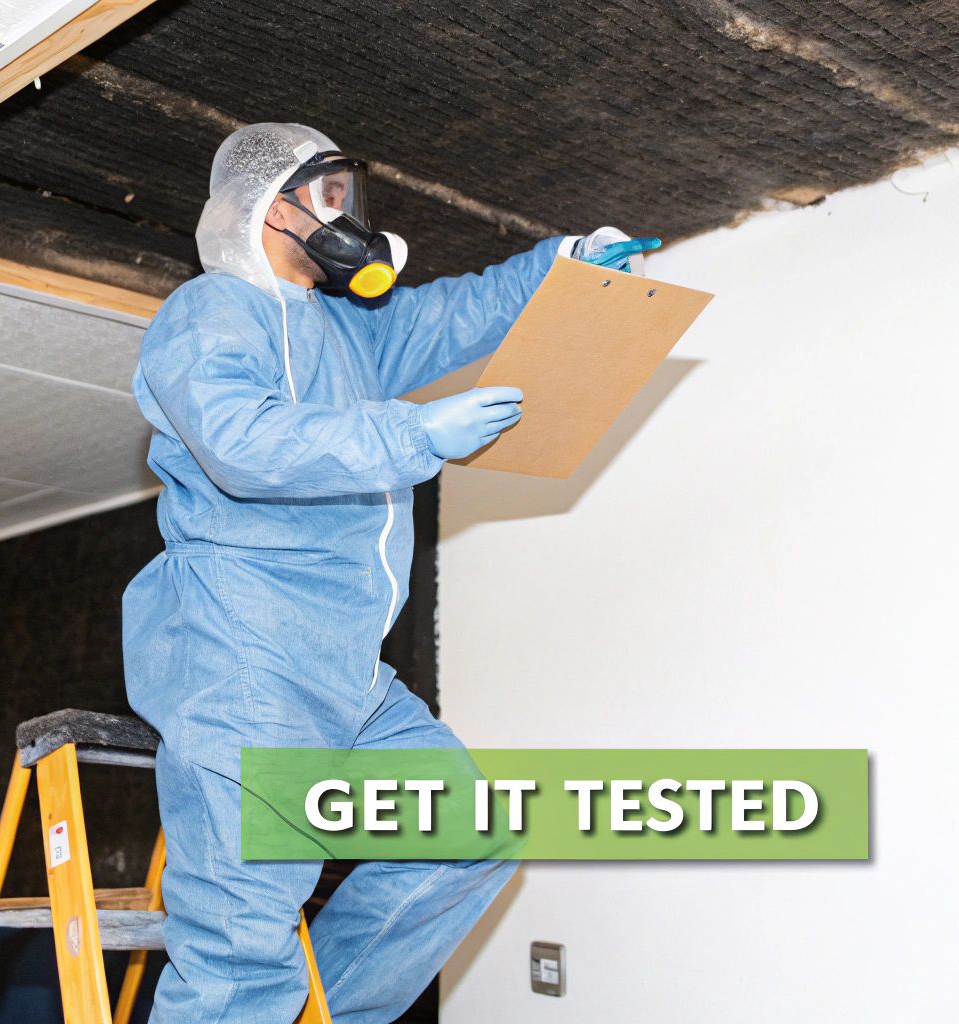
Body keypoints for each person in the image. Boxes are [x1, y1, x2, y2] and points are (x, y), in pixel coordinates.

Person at [122, 122, 657, 1023]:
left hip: (349, 673)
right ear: (273, 208)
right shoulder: (212, 311)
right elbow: (241, 441)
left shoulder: (349, 331)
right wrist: (414, 431)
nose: (349, 217)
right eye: (330, 196)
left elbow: (457, 313)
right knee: (240, 950)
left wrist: (565, 263)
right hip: (247, 657)